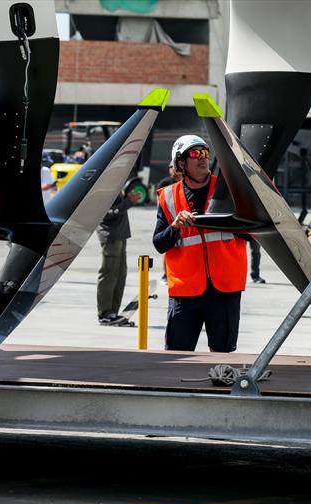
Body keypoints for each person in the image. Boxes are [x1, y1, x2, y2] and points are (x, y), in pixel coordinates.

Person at [152, 135, 247, 352]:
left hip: (225, 287)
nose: (203, 158)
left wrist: (230, 219)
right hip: (185, 291)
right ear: (181, 163)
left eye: (205, 153)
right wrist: (175, 226)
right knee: (178, 354)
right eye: (195, 154)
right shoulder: (168, 196)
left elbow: (251, 234)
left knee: (223, 355)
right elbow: (159, 244)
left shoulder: (227, 190)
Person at [96, 189, 141, 326]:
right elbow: (106, 213)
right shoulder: (105, 186)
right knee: (109, 273)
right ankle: (105, 313)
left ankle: (112, 313)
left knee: (120, 274)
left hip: (120, 234)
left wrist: (127, 200)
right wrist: (128, 202)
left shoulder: (115, 184)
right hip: (111, 236)